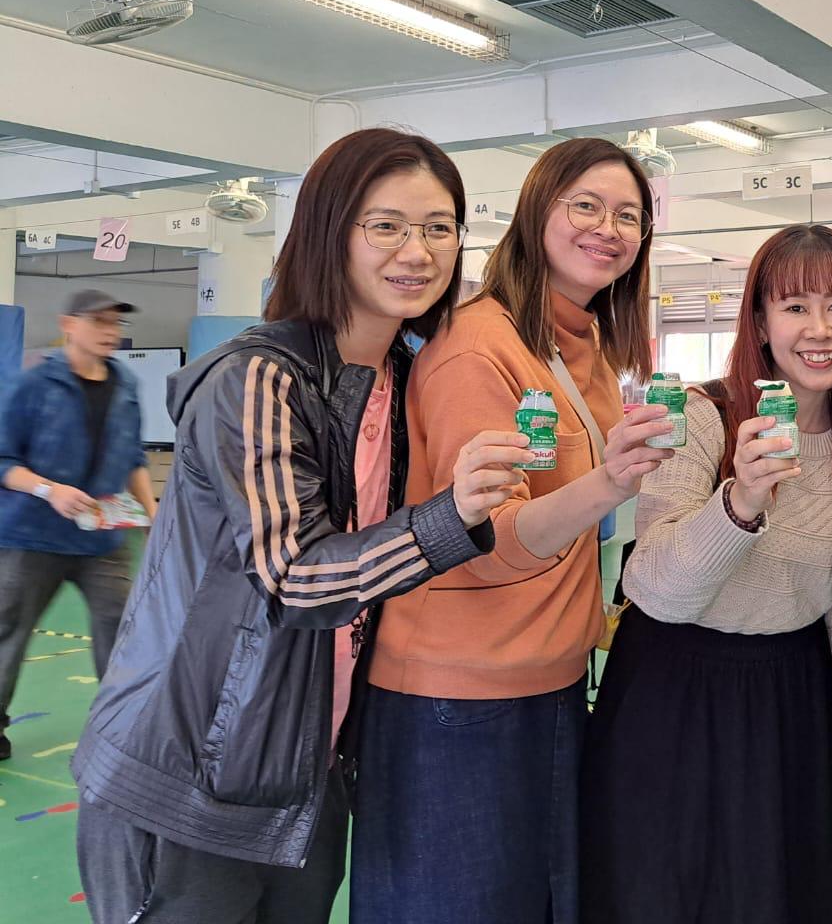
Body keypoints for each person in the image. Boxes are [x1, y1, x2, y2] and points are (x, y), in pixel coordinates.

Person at [73, 128, 531, 924]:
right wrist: (451, 515)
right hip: (187, 774)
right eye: (385, 226)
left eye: (439, 228)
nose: (417, 251)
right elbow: (295, 578)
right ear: (330, 233)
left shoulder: (399, 379)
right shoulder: (259, 376)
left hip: (305, 771)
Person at [352, 137, 671, 924]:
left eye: (628, 216)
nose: (608, 229)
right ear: (535, 214)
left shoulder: (587, 343)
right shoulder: (477, 347)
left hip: (551, 678)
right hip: (457, 696)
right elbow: (482, 540)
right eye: (585, 206)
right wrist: (611, 482)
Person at [581, 224, 832, 924]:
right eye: (795, 306)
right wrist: (741, 502)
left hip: (788, 691)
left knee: (775, 891)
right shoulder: (703, 418)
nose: (819, 329)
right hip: (670, 686)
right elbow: (657, 590)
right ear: (761, 321)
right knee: (661, 891)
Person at [0, 290, 155, 762]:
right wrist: (49, 490)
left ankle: (122, 729)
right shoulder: (35, 384)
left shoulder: (125, 385)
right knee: (8, 632)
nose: (110, 331)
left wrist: (153, 514)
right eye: (99, 321)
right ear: (69, 325)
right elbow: (4, 461)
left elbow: (133, 457)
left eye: (115, 323)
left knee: (122, 631)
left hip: (103, 540)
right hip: (32, 538)